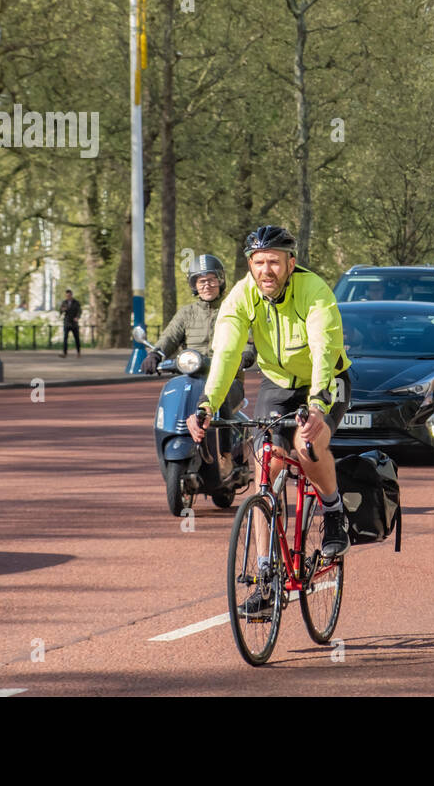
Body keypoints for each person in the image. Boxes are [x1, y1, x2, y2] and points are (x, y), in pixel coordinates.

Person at [186, 226, 353, 598]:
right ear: (250, 265)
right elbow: (227, 354)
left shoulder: (315, 293)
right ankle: (265, 576)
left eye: (275, 262)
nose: (267, 270)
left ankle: (334, 510)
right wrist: (207, 404)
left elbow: (325, 351)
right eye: (259, 262)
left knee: (308, 446)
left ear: (291, 263)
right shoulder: (241, 297)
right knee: (268, 465)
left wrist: (317, 406)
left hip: (326, 379)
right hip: (277, 382)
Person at [141, 254, 255, 413]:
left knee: (223, 408)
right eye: (201, 281)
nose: (206, 285)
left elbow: (246, 338)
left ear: (221, 281)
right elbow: (170, 337)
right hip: (191, 376)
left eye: (211, 280)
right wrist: (155, 354)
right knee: (174, 403)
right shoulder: (186, 313)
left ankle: (228, 436)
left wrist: (246, 354)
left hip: (227, 377)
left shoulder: (234, 308)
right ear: (194, 285)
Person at [59, 289, 81, 357]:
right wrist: (62, 310)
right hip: (67, 322)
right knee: (65, 338)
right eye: (66, 296)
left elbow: (79, 311)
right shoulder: (64, 302)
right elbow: (60, 311)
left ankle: (78, 352)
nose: (68, 297)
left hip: (74, 323)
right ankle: (65, 353)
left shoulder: (76, 302)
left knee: (76, 338)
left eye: (69, 295)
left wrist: (77, 317)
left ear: (71, 295)